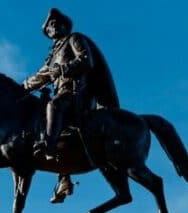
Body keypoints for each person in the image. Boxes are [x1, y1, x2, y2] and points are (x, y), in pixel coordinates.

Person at [22, 8, 119, 202]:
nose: (53, 27)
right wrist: (21, 88)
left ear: (65, 26)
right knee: (38, 118)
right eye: (50, 26)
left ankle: (48, 148)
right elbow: (41, 77)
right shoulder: (52, 56)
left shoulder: (74, 39)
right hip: (63, 95)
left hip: (77, 94)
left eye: (56, 23)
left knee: (54, 106)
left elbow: (85, 60)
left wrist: (64, 69)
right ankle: (64, 176)